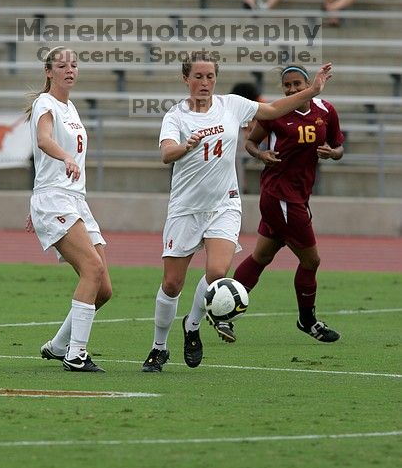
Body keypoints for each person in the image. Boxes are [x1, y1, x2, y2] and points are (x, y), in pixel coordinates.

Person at [142, 51, 334, 372]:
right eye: (198, 77)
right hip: (185, 208)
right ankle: (158, 347)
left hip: (224, 204)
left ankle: (192, 326)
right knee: (172, 284)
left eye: (210, 77)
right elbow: (166, 154)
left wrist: (312, 91)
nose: (204, 83)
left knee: (218, 274)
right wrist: (184, 146)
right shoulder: (176, 116)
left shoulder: (231, 104)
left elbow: (273, 109)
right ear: (185, 79)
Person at [233, 64, 344, 343]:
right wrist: (261, 154)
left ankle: (223, 311)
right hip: (279, 196)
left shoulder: (326, 111)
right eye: (288, 85)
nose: (293, 89)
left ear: (307, 83)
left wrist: (333, 154)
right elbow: (250, 142)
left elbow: (339, 147)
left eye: (297, 84)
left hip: (299, 195)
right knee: (312, 259)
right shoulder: (276, 111)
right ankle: (307, 321)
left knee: (262, 257)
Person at [26, 46, 112, 372]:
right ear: (49, 72)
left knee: (103, 289)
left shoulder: (70, 107)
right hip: (56, 199)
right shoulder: (45, 103)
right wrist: (65, 158)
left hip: (74, 200)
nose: (70, 70)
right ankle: (75, 355)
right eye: (62, 65)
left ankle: (59, 344)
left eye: (74, 65)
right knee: (92, 268)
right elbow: (44, 139)